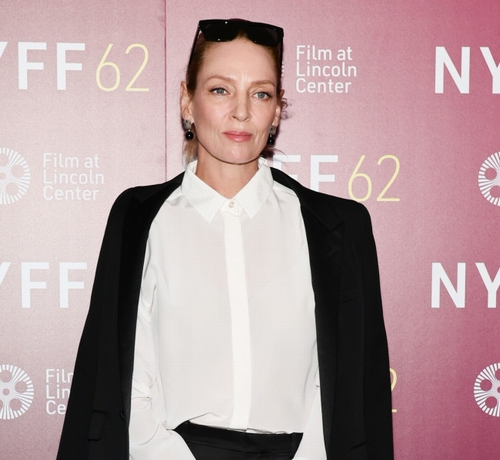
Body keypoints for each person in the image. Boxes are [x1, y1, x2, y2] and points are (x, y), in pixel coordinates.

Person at [56, 19, 394, 460]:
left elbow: (353, 388)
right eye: (220, 90)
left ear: (277, 110)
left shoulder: (340, 227)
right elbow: (120, 381)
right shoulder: (138, 220)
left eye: (261, 94)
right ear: (187, 101)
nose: (241, 112)